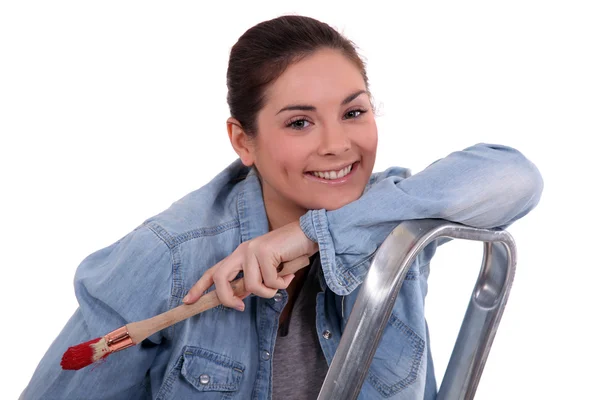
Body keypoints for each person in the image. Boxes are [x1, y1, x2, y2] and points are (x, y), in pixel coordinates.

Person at [20, 14, 543, 400]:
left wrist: (314, 234)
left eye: (353, 112)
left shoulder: (393, 215)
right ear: (243, 141)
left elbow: (516, 177)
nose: (338, 145)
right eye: (300, 122)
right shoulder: (171, 254)